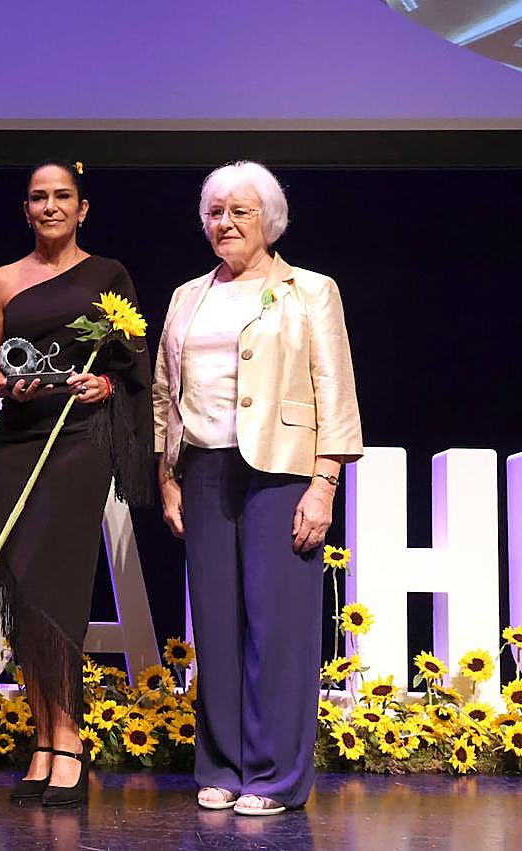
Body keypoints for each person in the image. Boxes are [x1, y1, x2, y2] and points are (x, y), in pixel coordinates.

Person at [152, 161, 362, 815]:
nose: (225, 223)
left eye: (240, 211)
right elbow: (165, 392)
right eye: (215, 211)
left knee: (277, 626)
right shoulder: (189, 294)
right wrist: (166, 474)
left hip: (282, 470)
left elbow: (337, 392)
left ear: (269, 219)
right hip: (206, 468)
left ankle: (274, 776)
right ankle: (222, 763)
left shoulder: (310, 290)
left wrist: (324, 485)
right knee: (215, 621)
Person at [0, 160, 153, 806]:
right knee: (22, 584)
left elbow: (131, 364)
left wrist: (103, 383)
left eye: (62, 197)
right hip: (18, 442)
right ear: (25, 209)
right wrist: (7, 384)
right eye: (37, 197)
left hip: (80, 443)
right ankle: (42, 736)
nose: (50, 206)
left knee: (60, 583)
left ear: (83, 209)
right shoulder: (2, 280)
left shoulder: (109, 278)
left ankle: (71, 737)